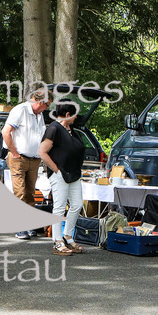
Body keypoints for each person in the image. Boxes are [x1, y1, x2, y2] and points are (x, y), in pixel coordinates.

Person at [39, 104, 87, 256]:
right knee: (59, 208)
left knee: (77, 205)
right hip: (60, 173)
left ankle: (67, 235)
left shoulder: (72, 131)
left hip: (74, 173)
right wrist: (56, 169)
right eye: (74, 114)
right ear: (67, 114)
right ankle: (57, 241)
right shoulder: (54, 129)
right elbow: (42, 152)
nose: (76, 118)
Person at [2, 88, 49, 239]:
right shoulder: (20, 110)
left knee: (30, 192)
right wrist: (14, 152)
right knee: (20, 192)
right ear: (40, 102)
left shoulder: (39, 115)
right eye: (47, 105)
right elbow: (6, 131)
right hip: (19, 157)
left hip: (34, 159)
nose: (48, 108)